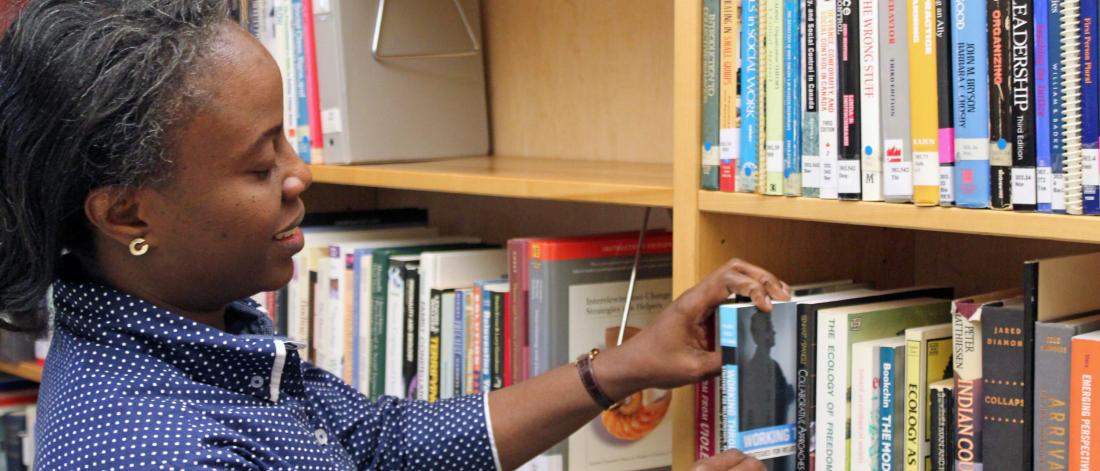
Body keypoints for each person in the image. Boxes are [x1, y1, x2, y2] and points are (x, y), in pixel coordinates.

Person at [0, 1, 791, 469]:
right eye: (258, 163)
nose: (300, 172)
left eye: (287, 138)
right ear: (127, 213)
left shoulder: (193, 327)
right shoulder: (157, 448)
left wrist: (621, 366)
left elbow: (378, 444)